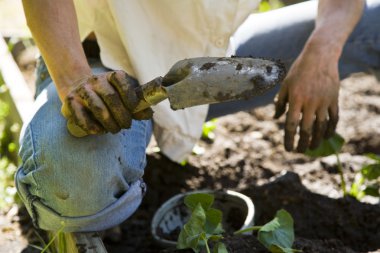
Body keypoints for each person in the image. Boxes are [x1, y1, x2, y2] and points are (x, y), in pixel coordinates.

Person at [16, 0, 378, 232]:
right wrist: (74, 76)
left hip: (200, 64)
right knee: (72, 188)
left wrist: (323, 49)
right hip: (102, 73)